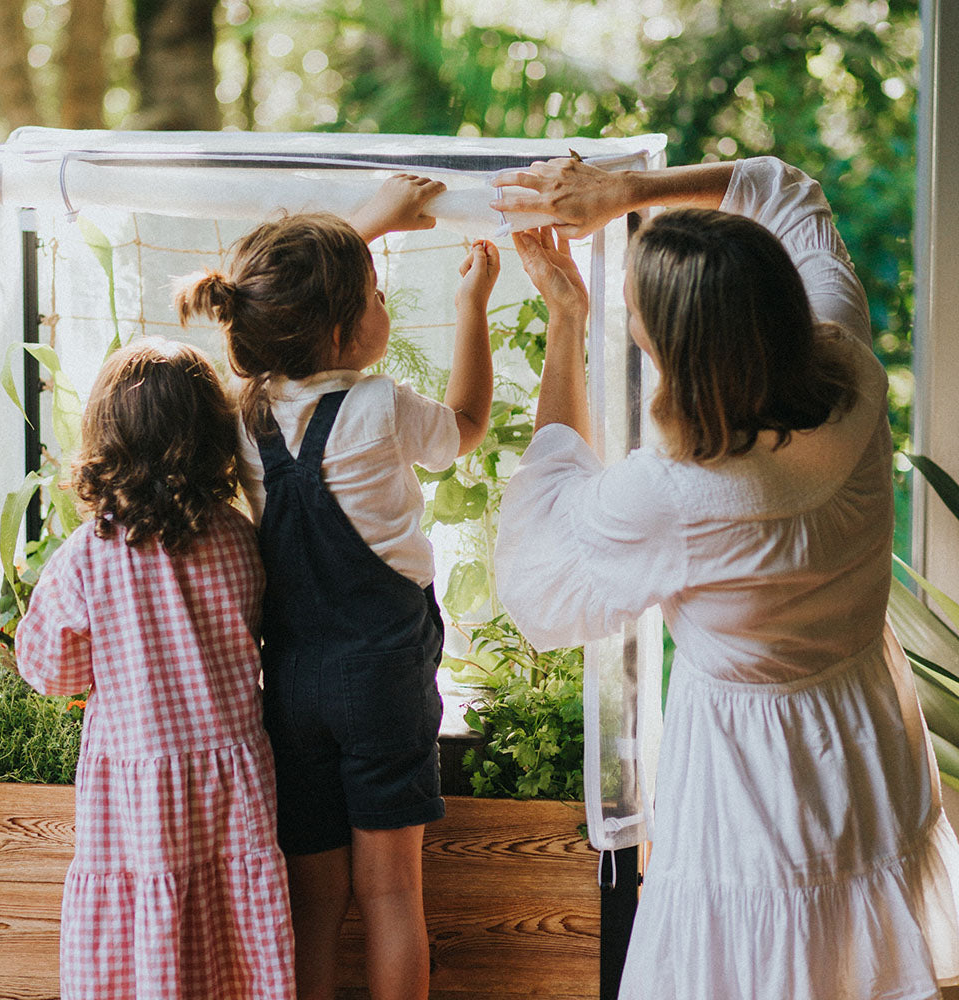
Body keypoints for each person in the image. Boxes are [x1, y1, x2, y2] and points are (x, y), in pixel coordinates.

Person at [490, 155, 959, 999]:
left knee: (757, 963)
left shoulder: (676, 491)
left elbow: (541, 571)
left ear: (675, 349)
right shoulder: (843, 360)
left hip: (754, 770)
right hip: (864, 722)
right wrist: (627, 193)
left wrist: (565, 320)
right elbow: (787, 188)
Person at [174, 174, 500, 1000]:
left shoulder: (244, 414)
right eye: (377, 295)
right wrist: (471, 306)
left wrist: (367, 229)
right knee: (392, 894)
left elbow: (277, 299)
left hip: (289, 687)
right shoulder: (383, 408)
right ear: (343, 327)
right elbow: (467, 425)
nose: (387, 305)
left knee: (313, 901)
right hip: (383, 685)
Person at [15, 339, 295, 1000]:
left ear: (105, 442)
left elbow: (51, 669)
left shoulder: (88, 557)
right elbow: (260, 627)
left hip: (136, 783)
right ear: (212, 440)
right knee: (230, 917)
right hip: (234, 778)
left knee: (147, 920)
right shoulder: (238, 538)